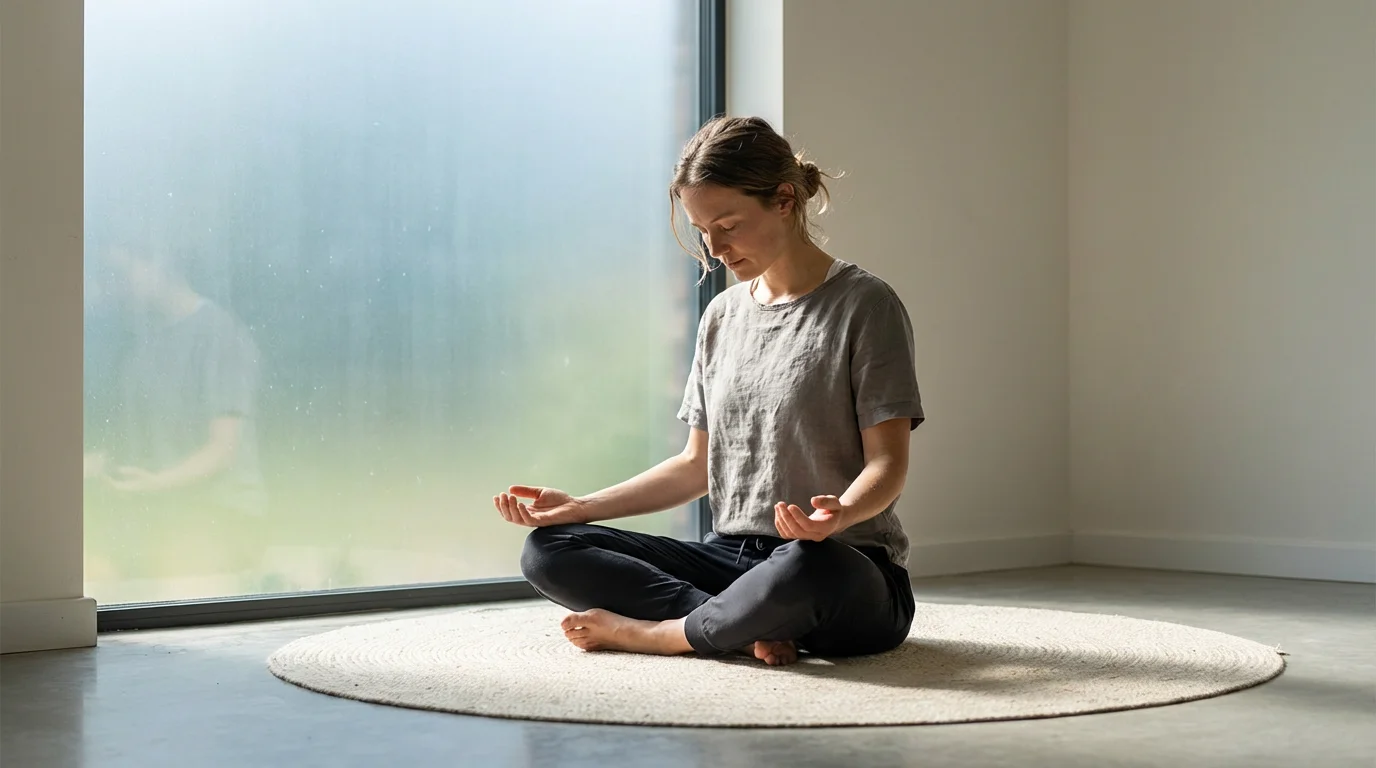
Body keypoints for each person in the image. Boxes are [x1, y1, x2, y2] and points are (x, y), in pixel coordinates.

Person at [493, 116, 923, 666]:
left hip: (839, 565)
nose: (715, 248)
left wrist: (837, 515)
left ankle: (660, 633)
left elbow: (887, 465)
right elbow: (697, 465)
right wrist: (581, 506)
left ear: (785, 200)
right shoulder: (722, 315)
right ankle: (737, 626)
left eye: (728, 225)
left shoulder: (866, 305)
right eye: (702, 232)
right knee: (550, 549)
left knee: (812, 567)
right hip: (732, 561)